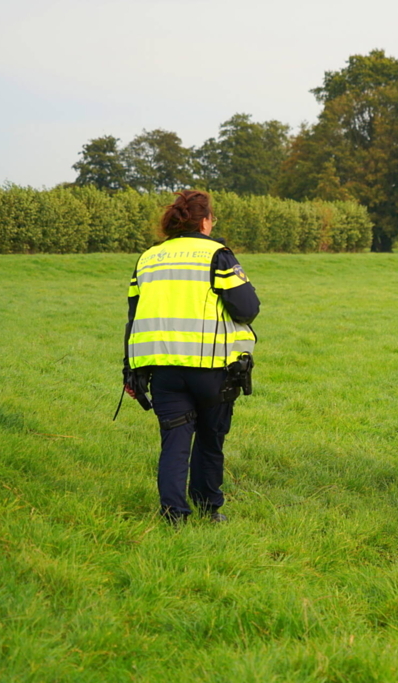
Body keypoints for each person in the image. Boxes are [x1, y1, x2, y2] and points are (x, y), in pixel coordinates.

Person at [124, 190, 260, 524]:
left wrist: (130, 369)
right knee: (210, 441)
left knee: (174, 442)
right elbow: (247, 309)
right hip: (211, 368)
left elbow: (133, 316)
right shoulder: (217, 255)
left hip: (163, 370)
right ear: (205, 221)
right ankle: (208, 509)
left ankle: (173, 514)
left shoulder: (148, 258)